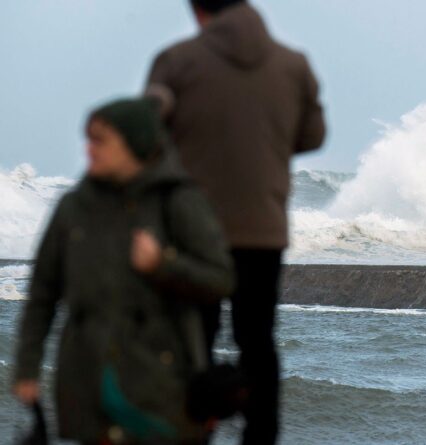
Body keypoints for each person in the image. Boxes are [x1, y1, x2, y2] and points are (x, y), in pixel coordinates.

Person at [145, 0, 326, 443]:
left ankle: (193, 433)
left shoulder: (176, 61)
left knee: (194, 341)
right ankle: (260, 437)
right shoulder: (294, 65)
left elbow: (147, 133)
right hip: (262, 229)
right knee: (257, 341)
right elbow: (312, 136)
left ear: (197, 10)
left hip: (194, 232)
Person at [13, 97, 235, 444]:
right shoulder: (74, 207)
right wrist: (27, 367)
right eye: (88, 139)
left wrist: (163, 265)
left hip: (160, 382)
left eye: (100, 140)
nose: (88, 150)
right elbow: (42, 292)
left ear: (135, 143)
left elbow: (221, 278)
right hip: (88, 378)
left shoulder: (177, 200)